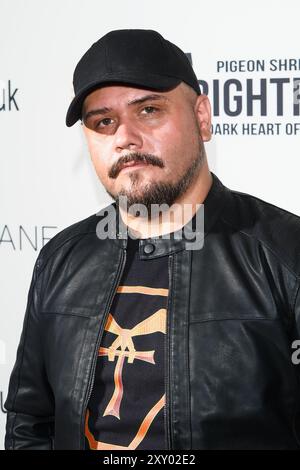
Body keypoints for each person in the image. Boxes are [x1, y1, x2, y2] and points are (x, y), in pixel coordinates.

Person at [4, 29, 300, 450]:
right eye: (104, 121)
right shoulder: (59, 261)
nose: (125, 137)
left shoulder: (286, 255)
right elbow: (30, 422)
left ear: (202, 117)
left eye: (148, 110)